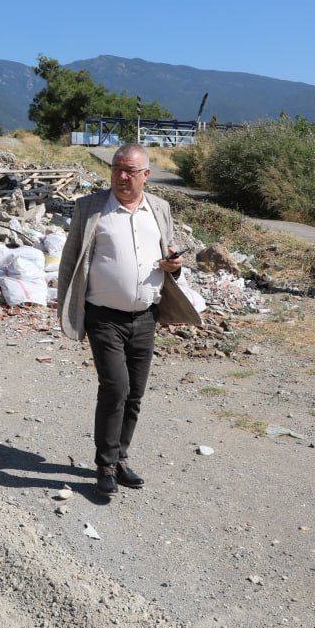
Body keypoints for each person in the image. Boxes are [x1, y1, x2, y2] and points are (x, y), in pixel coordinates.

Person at [57, 144, 201, 496]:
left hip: (146, 316)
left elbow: (169, 257)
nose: (122, 176)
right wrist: (66, 307)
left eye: (130, 171)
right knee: (116, 388)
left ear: (146, 175)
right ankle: (105, 464)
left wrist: (174, 267)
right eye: (117, 169)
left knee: (135, 393)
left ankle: (121, 458)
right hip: (103, 317)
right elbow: (70, 261)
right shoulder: (90, 208)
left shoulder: (160, 209)